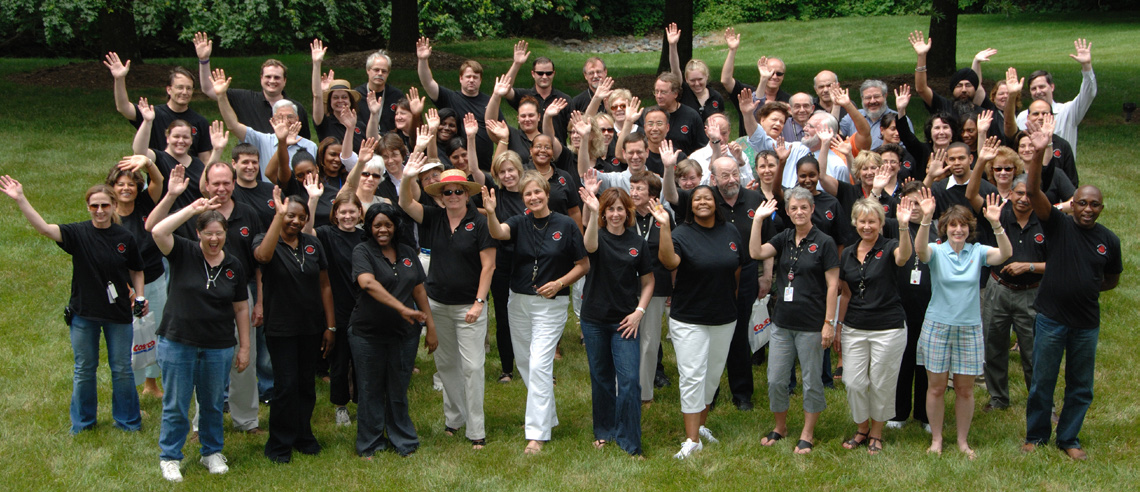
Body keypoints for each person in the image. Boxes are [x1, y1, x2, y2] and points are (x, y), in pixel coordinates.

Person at [2, 177, 145, 434]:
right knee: (84, 369)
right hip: (84, 313)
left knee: (122, 369)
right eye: (94, 206)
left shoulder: (125, 237)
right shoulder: (77, 233)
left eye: (104, 205)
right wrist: (20, 198)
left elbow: (136, 270)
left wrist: (141, 296)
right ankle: (83, 423)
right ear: (88, 207)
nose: (99, 211)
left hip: (118, 314)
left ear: (113, 206)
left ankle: (128, 421)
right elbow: (45, 229)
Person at [1021, 120, 1120, 461]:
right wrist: (1037, 153)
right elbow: (1033, 194)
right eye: (1083, 203)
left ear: (1101, 208)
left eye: (1094, 205)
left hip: (1086, 324)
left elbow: (1111, 279)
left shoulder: (1110, 241)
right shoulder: (1058, 226)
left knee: (1081, 386)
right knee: (1042, 383)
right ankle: (1036, 435)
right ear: (1072, 203)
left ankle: (1069, 438)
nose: (1088, 209)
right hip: (1051, 319)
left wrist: (1085, 288)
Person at [147, 160, 266, 436]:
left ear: (234, 184)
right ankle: (202, 423)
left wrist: (259, 300)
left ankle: (247, 420)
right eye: (216, 183)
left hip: (238, 294)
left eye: (227, 183)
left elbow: (259, 261)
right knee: (204, 360)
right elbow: (153, 227)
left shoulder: (248, 213)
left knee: (244, 359)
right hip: (198, 299)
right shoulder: (196, 213)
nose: (222, 188)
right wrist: (178, 199)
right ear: (206, 185)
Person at [482, 171, 589, 455]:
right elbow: (498, 232)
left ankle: (537, 433)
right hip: (518, 301)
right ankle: (547, 416)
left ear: (546, 193)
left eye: (537, 193)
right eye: (527, 194)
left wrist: (560, 283)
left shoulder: (565, 225)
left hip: (550, 305)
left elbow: (583, 264)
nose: (533, 198)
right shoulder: (519, 222)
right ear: (523, 198)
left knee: (541, 364)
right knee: (527, 364)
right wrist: (491, 213)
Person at [149, 189, 250, 482]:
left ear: (226, 234)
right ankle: (170, 456)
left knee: (213, 403)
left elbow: (241, 309)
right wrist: (191, 209)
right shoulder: (183, 251)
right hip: (178, 341)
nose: (214, 239)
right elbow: (157, 230)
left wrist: (244, 347)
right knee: (177, 403)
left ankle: (211, 452)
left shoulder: (234, 266)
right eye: (208, 233)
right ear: (198, 234)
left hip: (218, 345)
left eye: (219, 233)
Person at [400, 163, 496, 449]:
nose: (453, 195)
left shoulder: (480, 223)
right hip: (437, 305)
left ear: (467, 194)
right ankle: (454, 419)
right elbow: (405, 202)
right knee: (446, 365)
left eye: (458, 191)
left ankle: (476, 428)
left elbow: (488, 266)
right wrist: (407, 176)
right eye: (447, 191)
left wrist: (479, 303)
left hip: (469, 307)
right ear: (440, 195)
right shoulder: (432, 217)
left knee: (473, 367)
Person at [664, 154, 770, 410]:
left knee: (739, 334)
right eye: (725, 175)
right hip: (704, 278)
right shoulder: (703, 198)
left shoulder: (755, 199)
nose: (731, 179)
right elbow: (672, 195)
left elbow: (768, 240)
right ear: (713, 179)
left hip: (742, 273)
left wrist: (765, 275)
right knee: (708, 339)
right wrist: (668, 168)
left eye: (735, 173)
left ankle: (742, 393)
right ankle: (708, 396)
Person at [649, 186, 747, 459]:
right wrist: (665, 228)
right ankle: (692, 440)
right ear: (691, 206)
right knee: (693, 376)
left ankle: (701, 427)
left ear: (716, 203)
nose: (702, 202)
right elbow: (669, 262)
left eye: (707, 198)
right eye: (697, 199)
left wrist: (729, 297)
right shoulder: (681, 233)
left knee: (712, 376)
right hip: (689, 318)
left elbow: (736, 267)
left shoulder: (731, 232)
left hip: (724, 316)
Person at [914, 190, 1012, 458]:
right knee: (935, 387)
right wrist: (926, 218)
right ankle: (936, 439)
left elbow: (1005, 253)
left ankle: (962, 441)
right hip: (937, 326)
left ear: (970, 228)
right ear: (945, 228)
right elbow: (920, 251)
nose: (958, 230)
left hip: (969, 328)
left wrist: (996, 223)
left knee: (965, 389)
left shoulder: (978, 252)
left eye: (963, 225)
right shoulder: (936, 250)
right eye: (953, 225)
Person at [750, 187, 838, 455]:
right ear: (787, 212)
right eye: (793, 208)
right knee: (776, 379)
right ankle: (781, 427)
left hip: (811, 324)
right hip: (781, 323)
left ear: (812, 209)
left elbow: (833, 285)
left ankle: (808, 433)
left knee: (812, 380)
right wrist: (757, 221)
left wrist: (829, 322)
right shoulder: (784, 237)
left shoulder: (824, 242)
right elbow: (755, 252)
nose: (798, 212)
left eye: (804, 207)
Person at [252, 188, 336, 463]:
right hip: (281, 328)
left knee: (305, 385)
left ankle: (303, 435)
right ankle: (279, 443)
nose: (295, 221)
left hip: (311, 326)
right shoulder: (266, 241)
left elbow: (325, 285)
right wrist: (278, 217)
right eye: (290, 216)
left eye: (301, 217)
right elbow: (262, 258)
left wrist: (330, 326)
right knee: (285, 386)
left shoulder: (313, 245)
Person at [349, 202, 437, 457]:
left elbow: (419, 290)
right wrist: (401, 307)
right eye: (377, 225)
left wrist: (430, 327)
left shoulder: (408, 252)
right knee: (369, 390)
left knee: (398, 389)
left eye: (388, 224)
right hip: (367, 333)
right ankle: (370, 444)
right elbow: (367, 283)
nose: (383, 230)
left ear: (396, 226)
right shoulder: (362, 251)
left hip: (404, 334)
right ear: (369, 227)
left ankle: (403, 440)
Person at [577, 184, 653, 457]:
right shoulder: (596, 236)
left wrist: (639, 312)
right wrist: (592, 209)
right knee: (601, 378)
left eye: (620, 209)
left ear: (628, 212)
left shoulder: (637, 243)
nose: (616, 214)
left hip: (625, 323)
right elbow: (589, 246)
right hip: (594, 320)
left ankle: (631, 441)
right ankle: (605, 430)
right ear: (604, 213)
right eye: (610, 209)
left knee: (630, 380)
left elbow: (648, 282)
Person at [836, 198, 915, 455]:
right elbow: (845, 293)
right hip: (855, 327)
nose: (867, 226)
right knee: (854, 382)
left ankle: (877, 432)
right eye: (862, 221)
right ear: (855, 223)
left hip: (888, 327)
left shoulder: (891, 245)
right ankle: (861, 428)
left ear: (881, 223)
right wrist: (838, 326)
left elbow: (904, 257)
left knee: (881, 382)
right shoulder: (847, 252)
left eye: (872, 221)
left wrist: (903, 226)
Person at [106, 156, 166, 397]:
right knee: (128, 339)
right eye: (120, 184)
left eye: (131, 184)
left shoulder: (145, 203)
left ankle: (151, 384)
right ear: (112, 188)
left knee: (155, 331)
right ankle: (129, 390)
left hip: (155, 279)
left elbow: (159, 181)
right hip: (123, 289)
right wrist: (130, 292)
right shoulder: (108, 217)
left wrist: (147, 163)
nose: (126, 188)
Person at [313, 194, 366, 427]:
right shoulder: (326, 234)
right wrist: (314, 199)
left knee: (364, 359)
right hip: (339, 307)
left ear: (359, 212)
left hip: (365, 307)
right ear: (335, 214)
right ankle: (340, 406)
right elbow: (306, 233)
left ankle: (365, 402)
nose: (347, 216)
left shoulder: (366, 236)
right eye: (342, 212)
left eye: (352, 212)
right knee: (340, 360)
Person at [195, 32, 311, 140]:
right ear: (261, 78)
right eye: (268, 76)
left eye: (277, 77)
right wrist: (204, 60)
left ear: (285, 81)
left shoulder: (296, 108)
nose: (272, 81)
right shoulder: (244, 99)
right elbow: (208, 89)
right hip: (252, 160)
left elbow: (305, 141)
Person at [887, 181, 936, 432]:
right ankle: (898, 411)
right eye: (909, 203)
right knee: (902, 359)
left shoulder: (937, 230)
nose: (914, 208)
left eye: (919, 202)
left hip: (930, 305)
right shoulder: (893, 226)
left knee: (927, 362)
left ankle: (926, 414)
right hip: (899, 303)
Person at [211, 68, 318, 181]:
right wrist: (221, 96)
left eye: (290, 117)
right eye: (280, 117)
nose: (286, 121)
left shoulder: (311, 146)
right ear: (273, 120)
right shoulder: (263, 140)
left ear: (297, 119)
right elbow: (233, 126)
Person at [105, 53, 212, 162]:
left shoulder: (200, 122)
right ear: (169, 90)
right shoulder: (152, 114)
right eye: (180, 87)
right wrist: (119, 79)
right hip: (157, 174)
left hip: (189, 175)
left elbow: (205, 159)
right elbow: (123, 108)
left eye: (189, 88)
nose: (185, 92)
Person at [417, 36, 503, 171]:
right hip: (456, 164)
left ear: (480, 80)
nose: (471, 80)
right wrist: (423, 60)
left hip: (484, 167)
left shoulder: (489, 102)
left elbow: (501, 132)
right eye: (468, 77)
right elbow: (428, 83)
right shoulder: (450, 97)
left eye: (475, 77)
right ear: (461, 79)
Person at [1014, 39, 1096, 157]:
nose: (1038, 92)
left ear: (1052, 87)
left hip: (1061, 171)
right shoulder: (1023, 117)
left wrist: (1086, 66)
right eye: (1034, 88)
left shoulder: (1068, 112)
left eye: (1042, 87)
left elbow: (1089, 94)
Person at [131, 97, 215, 211]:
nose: (181, 141)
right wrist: (147, 122)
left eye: (185, 137)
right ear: (167, 138)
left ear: (191, 140)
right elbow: (139, 153)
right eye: (176, 136)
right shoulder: (158, 158)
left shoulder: (199, 165)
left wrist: (217, 149)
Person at [487, 152, 528, 383]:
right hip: (501, 265)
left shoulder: (528, 195)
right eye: (502, 171)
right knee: (503, 317)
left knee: (528, 316)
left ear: (520, 171)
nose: (507, 175)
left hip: (527, 265)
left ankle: (533, 363)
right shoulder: (495, 196)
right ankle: (507, 368)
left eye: (511, 170)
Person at [721, 27, 790, 137]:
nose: (774, 76)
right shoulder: (747, 93)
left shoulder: (788, 100)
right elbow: (726, 80)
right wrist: (732, 50)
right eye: (770, 72)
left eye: (779, 73)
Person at [503, 42, 574, 144]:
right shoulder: (524, 96)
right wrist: (517, 64)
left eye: (548, 73)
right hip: (527, 151)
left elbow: (573, 128)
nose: (544, 77)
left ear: (553, 74)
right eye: (540, 73)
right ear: (533, 74)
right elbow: (505, 89)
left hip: (556, 152)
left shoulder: (564, 99)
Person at [666, 23, 725, 121]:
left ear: (706, 77)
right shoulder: (682, 92)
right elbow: (675, 70)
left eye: (700, 79)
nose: (697, 83)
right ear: (686, 79)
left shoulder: (716, 97)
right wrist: (672, 45)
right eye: (692, 80)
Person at [840, 80, 912, 149]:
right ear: (862, 98)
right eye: (868, 98)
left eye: (876, 96)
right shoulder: (851, 117)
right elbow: (836, 136)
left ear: (885, 96)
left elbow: (909, 147)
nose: (872, 101)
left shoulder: (899, 118)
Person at [354, 50, 405, 136]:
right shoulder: (356, 95)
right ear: (368, 70)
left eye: (384, 71)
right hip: (361, 141)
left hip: (389, 143)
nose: (380, 73)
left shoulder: (396, 95)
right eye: (376, 70)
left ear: (388, 73)